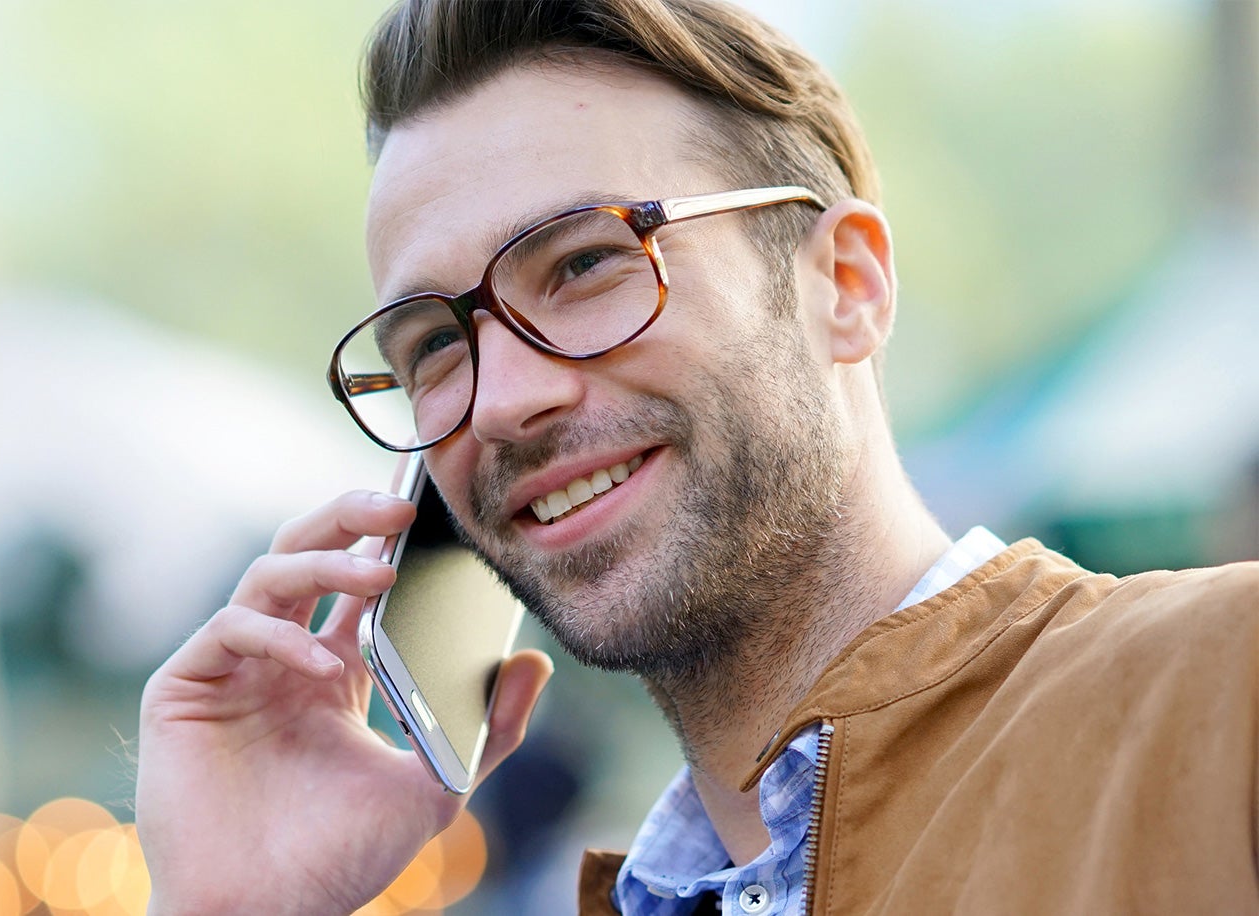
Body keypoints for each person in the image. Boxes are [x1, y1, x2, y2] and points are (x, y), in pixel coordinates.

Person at [133, 0, 1259, 913]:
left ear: (846, 286)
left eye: (581, 265)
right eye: (434, 344)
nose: (507, 402)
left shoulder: (1224, 691)